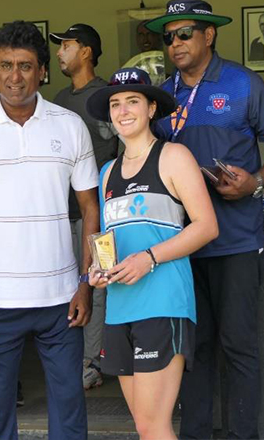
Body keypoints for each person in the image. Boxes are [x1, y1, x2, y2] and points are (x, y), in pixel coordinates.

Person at [0, 20, 98, 440]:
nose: (15, 77)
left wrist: (85, 284)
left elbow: (90, 210)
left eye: (25, 66)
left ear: (42, 70)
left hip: (63, 301)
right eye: (6, 65)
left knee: (69, 417)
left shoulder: (70, 125)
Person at [145, 0, 264, 439]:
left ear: (208, 35)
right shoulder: (163, 94)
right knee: (192, 348)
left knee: (239, 347)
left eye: (184, 33)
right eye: (167, 36)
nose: (174, 43)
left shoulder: (244, 84)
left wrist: (254, 183)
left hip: (236, 239)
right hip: (181, 244)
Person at [85, 67, 218, 440]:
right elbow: (112, 240)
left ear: (151, 109)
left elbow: (207, 226)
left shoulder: (173, 156)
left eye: (132, 102)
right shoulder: (107, 173)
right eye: (115, 104)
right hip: (120, 307)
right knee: (144, 427)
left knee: (154, 427)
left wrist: (150, 257)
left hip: (164, 304)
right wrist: (99, 270)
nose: (123, 111)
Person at [50, 22, 118, 390]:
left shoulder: (108, 96)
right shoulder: (59, 100)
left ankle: (93, 361)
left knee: (100, 283)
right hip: (64, 216)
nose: (60, 52)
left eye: (67, 45)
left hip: (104, 215)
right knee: (68, 285)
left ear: (86, 51)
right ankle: (71, 358)